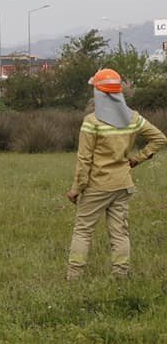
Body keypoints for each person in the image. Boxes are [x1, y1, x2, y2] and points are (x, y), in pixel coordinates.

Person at [65, 68, 165, 280]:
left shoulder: (92, 122)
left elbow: (84, 160)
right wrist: (138, 158)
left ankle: (73, 277)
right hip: (122, 185)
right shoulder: (134, 119)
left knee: (83, 231)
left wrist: (76, 189)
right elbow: (160, 139)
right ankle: (120, 275)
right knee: (120, 233)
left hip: (96, 186)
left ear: (99, 94)